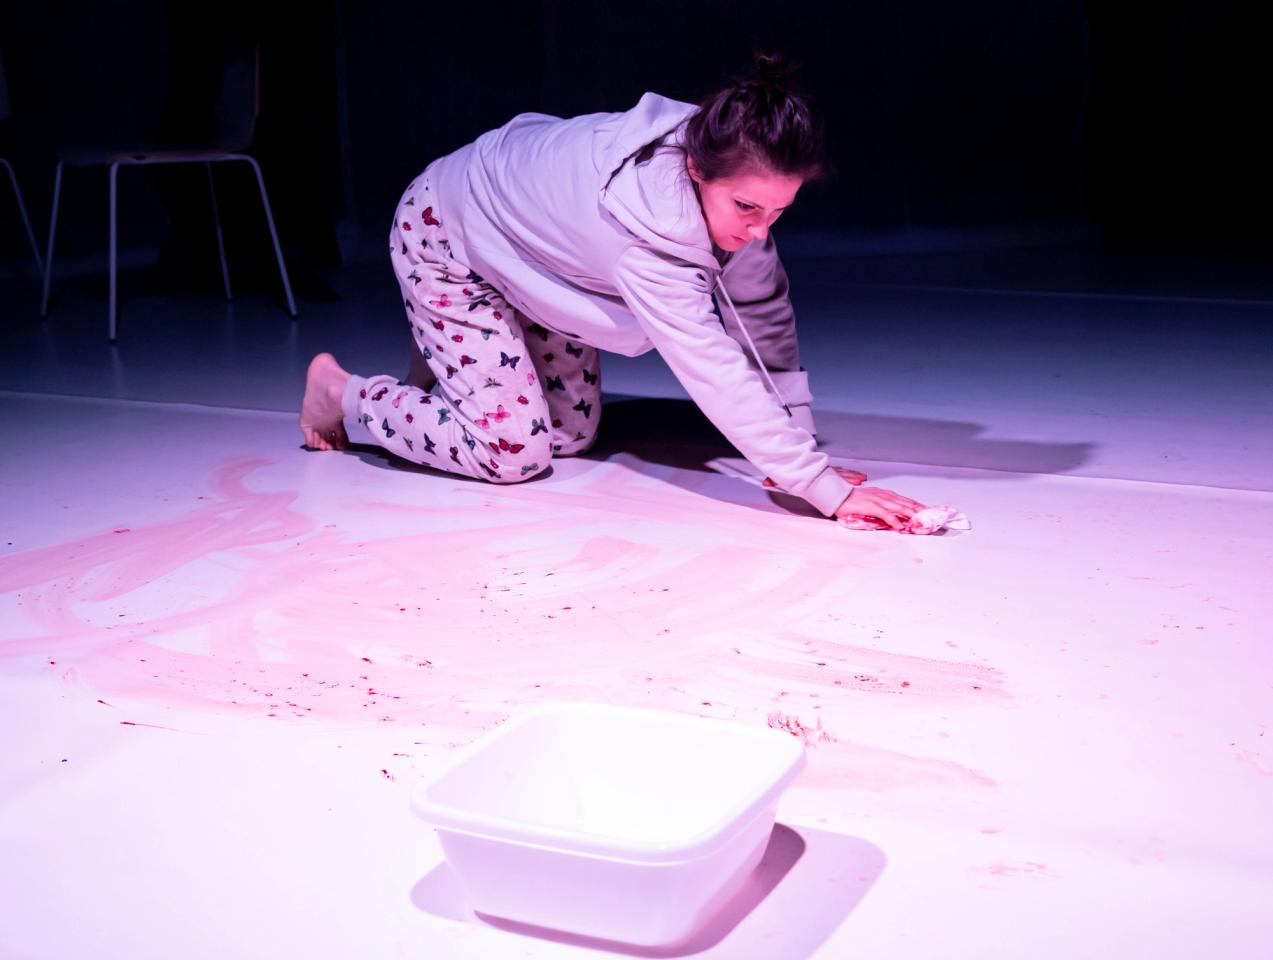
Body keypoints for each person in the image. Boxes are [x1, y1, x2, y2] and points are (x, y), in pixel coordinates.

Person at [300, 54, 923, 529]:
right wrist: (819, 488)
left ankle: (458, 369)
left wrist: (799, 440)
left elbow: (760, 309)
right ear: (695, 169)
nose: (760, 230)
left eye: (778, 212)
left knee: (569, 438)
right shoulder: (646, 234)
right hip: (445, 231)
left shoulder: (731, 160)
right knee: (511, 452)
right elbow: (713, 366)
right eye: (747, 208)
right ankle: (341, 393)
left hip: (536, 253)